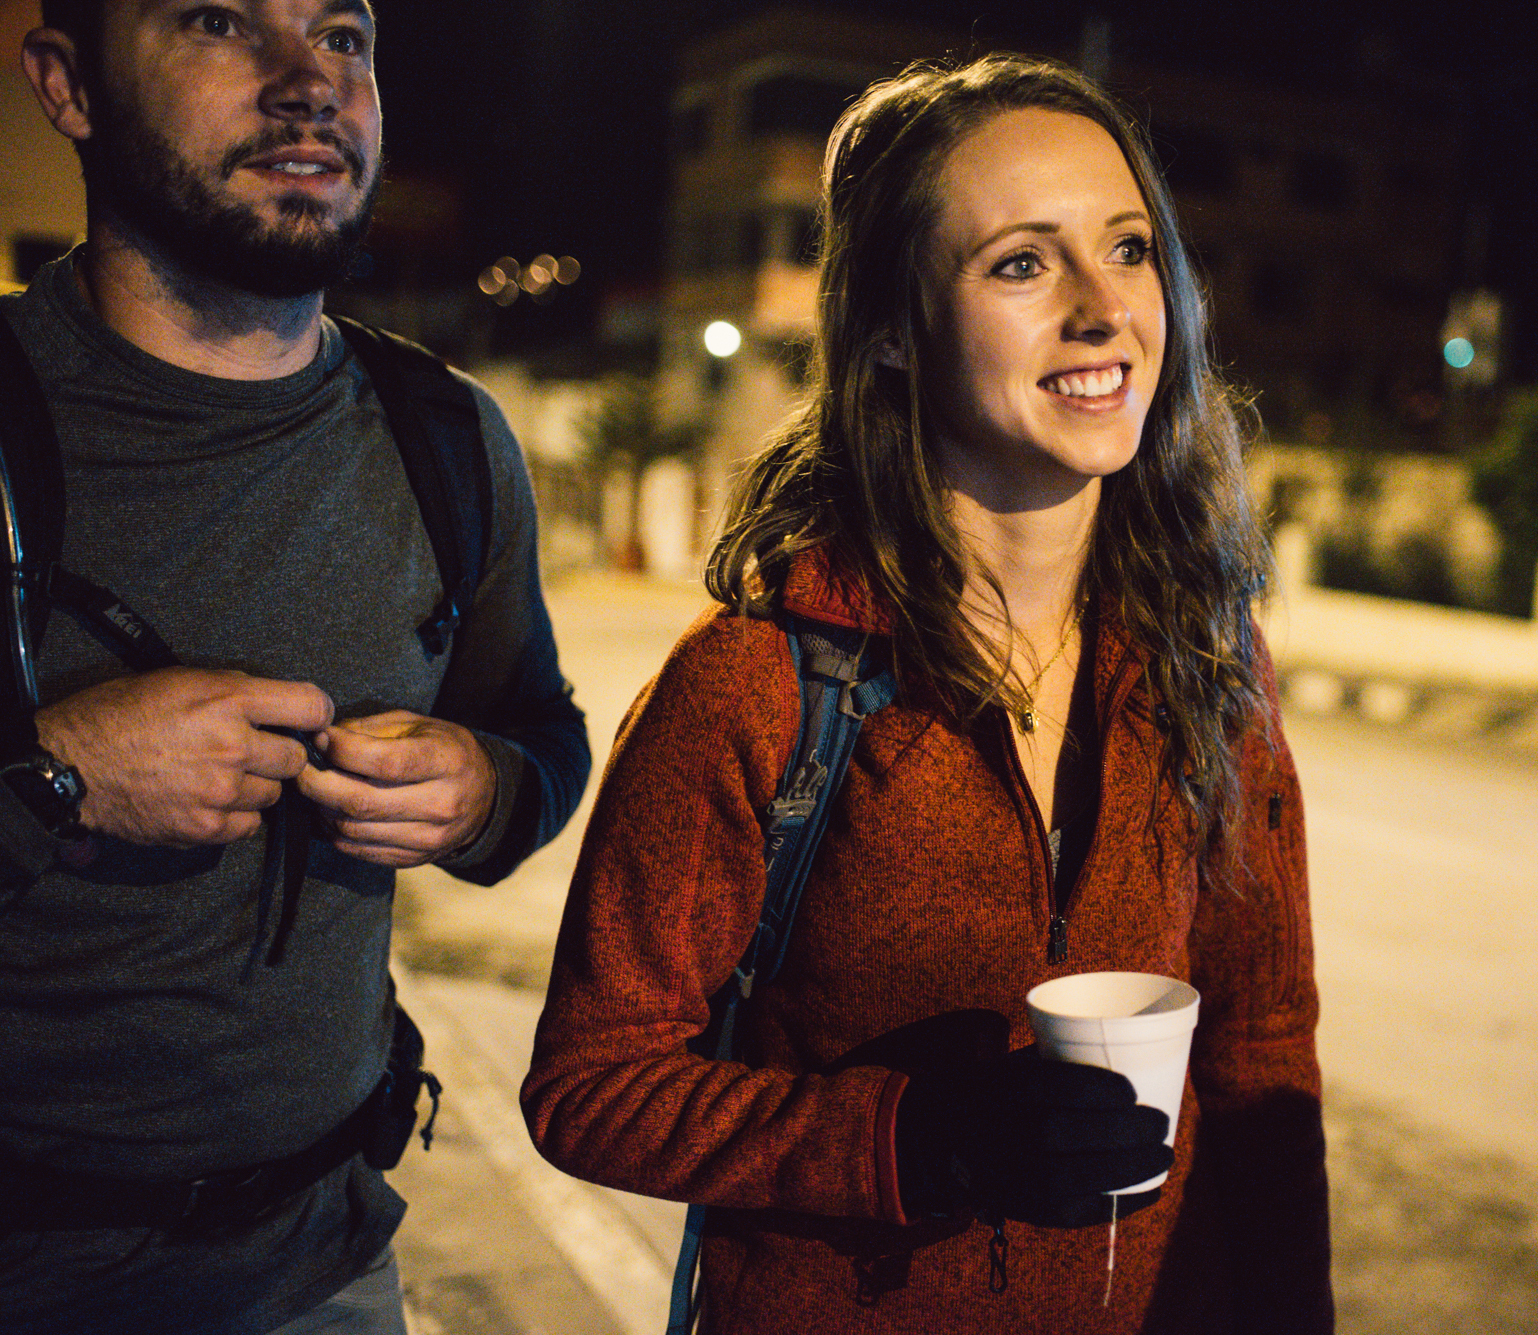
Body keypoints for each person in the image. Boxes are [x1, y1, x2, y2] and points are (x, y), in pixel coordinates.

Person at [524, 53, 1332, 1334]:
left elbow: (1260, 1048)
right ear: (893, 330)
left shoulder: (1206, 655)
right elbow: (591, 1086)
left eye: (1127, 249)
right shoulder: (759, 680)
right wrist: (914, 1143)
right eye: (1020, 262)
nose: (1101, 309)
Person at [0, 2, 588, 1332]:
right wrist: (57, 771)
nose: (306, 81)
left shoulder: (447, 437)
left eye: (343, 34)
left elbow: (541, 729)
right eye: (218, 21)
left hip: (322, 1267)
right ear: (68, 84)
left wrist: (483, 787)